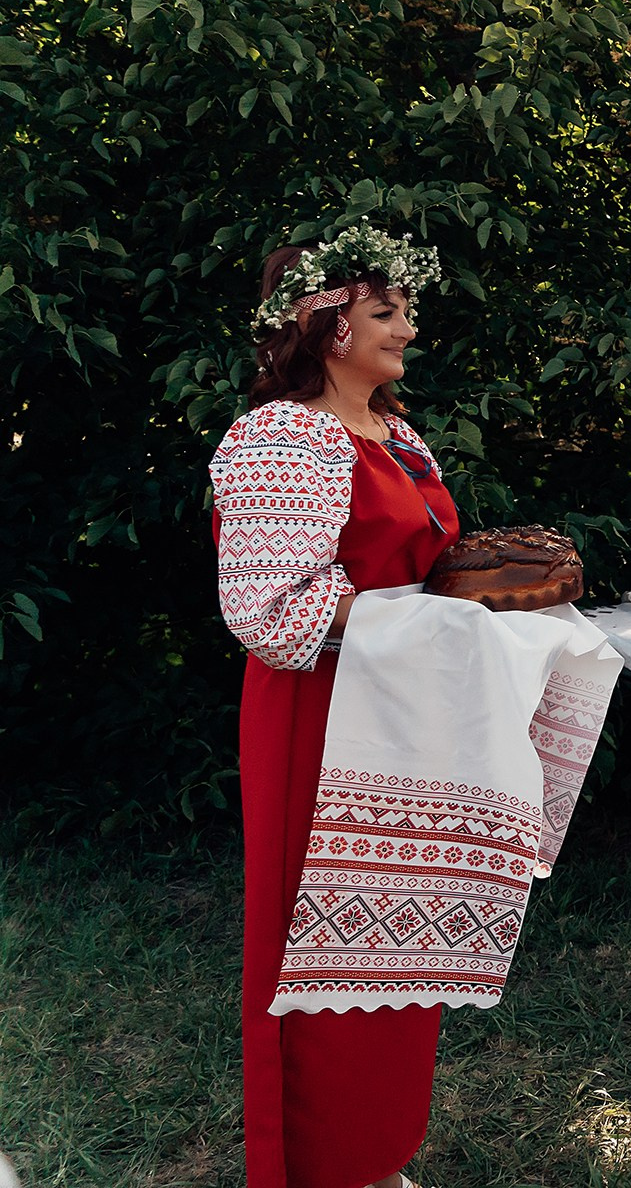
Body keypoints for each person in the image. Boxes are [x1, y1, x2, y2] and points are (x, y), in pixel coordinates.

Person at [211, 226, 454, 1188]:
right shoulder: (282, 436)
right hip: (320, 711)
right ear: (326, 324)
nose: (407, 330)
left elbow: (430, 569)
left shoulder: (399, 434)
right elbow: (270, 609)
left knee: (395, 931)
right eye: (386, 313)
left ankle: (376, 1148)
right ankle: (316, 1162)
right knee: (319, 936)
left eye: (406, 311)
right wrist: (430, 617)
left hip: (404, 708)